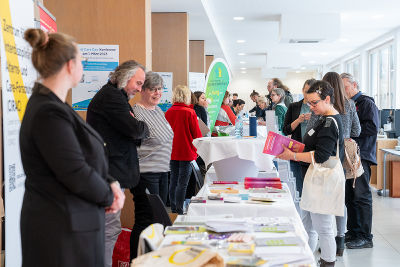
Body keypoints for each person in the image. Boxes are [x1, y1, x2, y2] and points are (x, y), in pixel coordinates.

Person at [20, 28, 124, 267]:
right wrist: (110, 196)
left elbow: (82, 157)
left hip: (71, 225)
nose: (82, 67)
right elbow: (74, 170)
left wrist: (109, 181)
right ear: (69, 65)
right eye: (81, 61)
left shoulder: (55, 106)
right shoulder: (48, 112)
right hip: (60, 230)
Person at [86, 60, 150, 262]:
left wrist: (139, 127)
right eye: (138, 83)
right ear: (124, 77)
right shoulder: (112, 98)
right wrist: (141, 127)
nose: (140, 90)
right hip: (109, 173)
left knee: (109, 228)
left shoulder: (115, 96)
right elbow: (135, 129)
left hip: (113, 172)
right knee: (108, 229)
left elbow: (135, 129)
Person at [277, 80, 344, 267]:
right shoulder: (324, 118)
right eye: (309, 102)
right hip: (314, 179)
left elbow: (322, 156)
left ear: (327, 99)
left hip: (322, 180)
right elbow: (313, 145)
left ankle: (327, 262)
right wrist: (292, 148)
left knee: (322, 227)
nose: (311, 106)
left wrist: (294, 155)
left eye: (314, 102)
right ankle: (305, 260)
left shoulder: (330, 122)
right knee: (310, 225)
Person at [305, 72, 361, 255]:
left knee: (325, 207)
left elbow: (312, 132)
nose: (312, 105)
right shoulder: (350, 104)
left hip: (326, 156)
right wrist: (343, 138)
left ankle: (328, 244)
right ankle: (341, 238)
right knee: (339, 199)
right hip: (341, 155)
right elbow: (357, 130)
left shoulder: (324, 114)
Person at [341, 72, 379, 250]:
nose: (343, 91)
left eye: (345, 87)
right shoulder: (348, 104)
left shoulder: (366, 103)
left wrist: (350, 130)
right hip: (349, 156)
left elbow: (372, 127)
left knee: (361, 197)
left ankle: (365, 236)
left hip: (361, 156)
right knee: (350, 196)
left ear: (354, 85)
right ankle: (353, 231)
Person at [132, 72, 173, 205]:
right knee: (150, 215)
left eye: (159, 88)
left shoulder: (158, 110)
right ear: (142, 90)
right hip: (147, 172)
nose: (157, 93)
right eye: (152, 89)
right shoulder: (137, 112)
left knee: (160, 214)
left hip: (163, 170)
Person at [165, 85, 202, 214]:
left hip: (171, 151)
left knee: (173, 180)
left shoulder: (168, 112)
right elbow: (197, 135)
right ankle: (180, 209)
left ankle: (174, 207)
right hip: (187, 152)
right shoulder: (190, 112)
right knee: (183, 183)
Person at [283, 79, 316, 196]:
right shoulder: (294, 106)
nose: (308, 95)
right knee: (299, 187)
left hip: (313, 153)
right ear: (302, 90)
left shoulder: (319, 109)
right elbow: (285, 129)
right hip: (297, 150)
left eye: (311, 92)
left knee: (313, 189)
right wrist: (298, 120)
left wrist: (314, 118)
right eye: (306, 91)